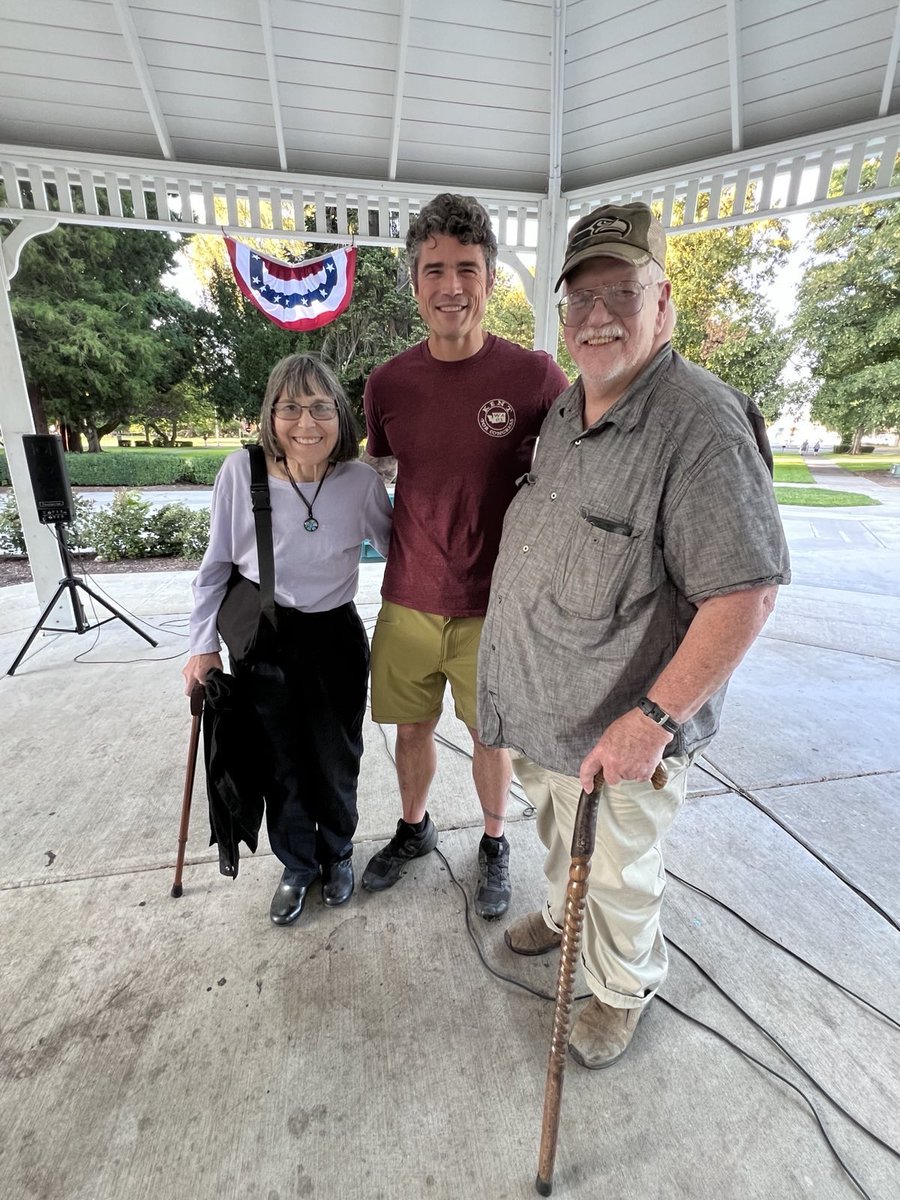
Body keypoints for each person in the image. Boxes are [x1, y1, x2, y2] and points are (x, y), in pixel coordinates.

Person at [478, 202, 791, 1067]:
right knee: (557, 835)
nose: (599, 316)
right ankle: (561, 909)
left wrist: (652, 718)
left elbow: (746, 594)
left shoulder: (702, 426)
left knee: (620, 873)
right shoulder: (565, 410)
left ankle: (621, 989)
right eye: (579, 299)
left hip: (622, 730)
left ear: (665, 305)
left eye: (623, 291)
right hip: (548, 712)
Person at [361, 193, 570, 918]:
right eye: (435, 270)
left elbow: (578, 465)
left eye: (468, 269)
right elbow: (379, 472)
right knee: (411, 728)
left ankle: (492, 842)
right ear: (415, 283)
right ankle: (414, 830)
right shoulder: (388, 384)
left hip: (495, 605)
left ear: (490, 277)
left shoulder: (535, 378)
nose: (452, 287)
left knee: (490, 734)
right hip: (409, 597)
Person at [183, 354, 393, 926]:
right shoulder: (240, 471)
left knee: (337, 756)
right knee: (279, 759)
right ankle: (297, 864)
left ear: (340, 415)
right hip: (266, 639)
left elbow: (402, 553)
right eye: (291, 407)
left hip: (336, 638)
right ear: (271, 416)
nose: (307, 422)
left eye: (321, 407)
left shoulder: (360, 482)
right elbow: (216, 566)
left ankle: (338, 853)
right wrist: (202, 645)